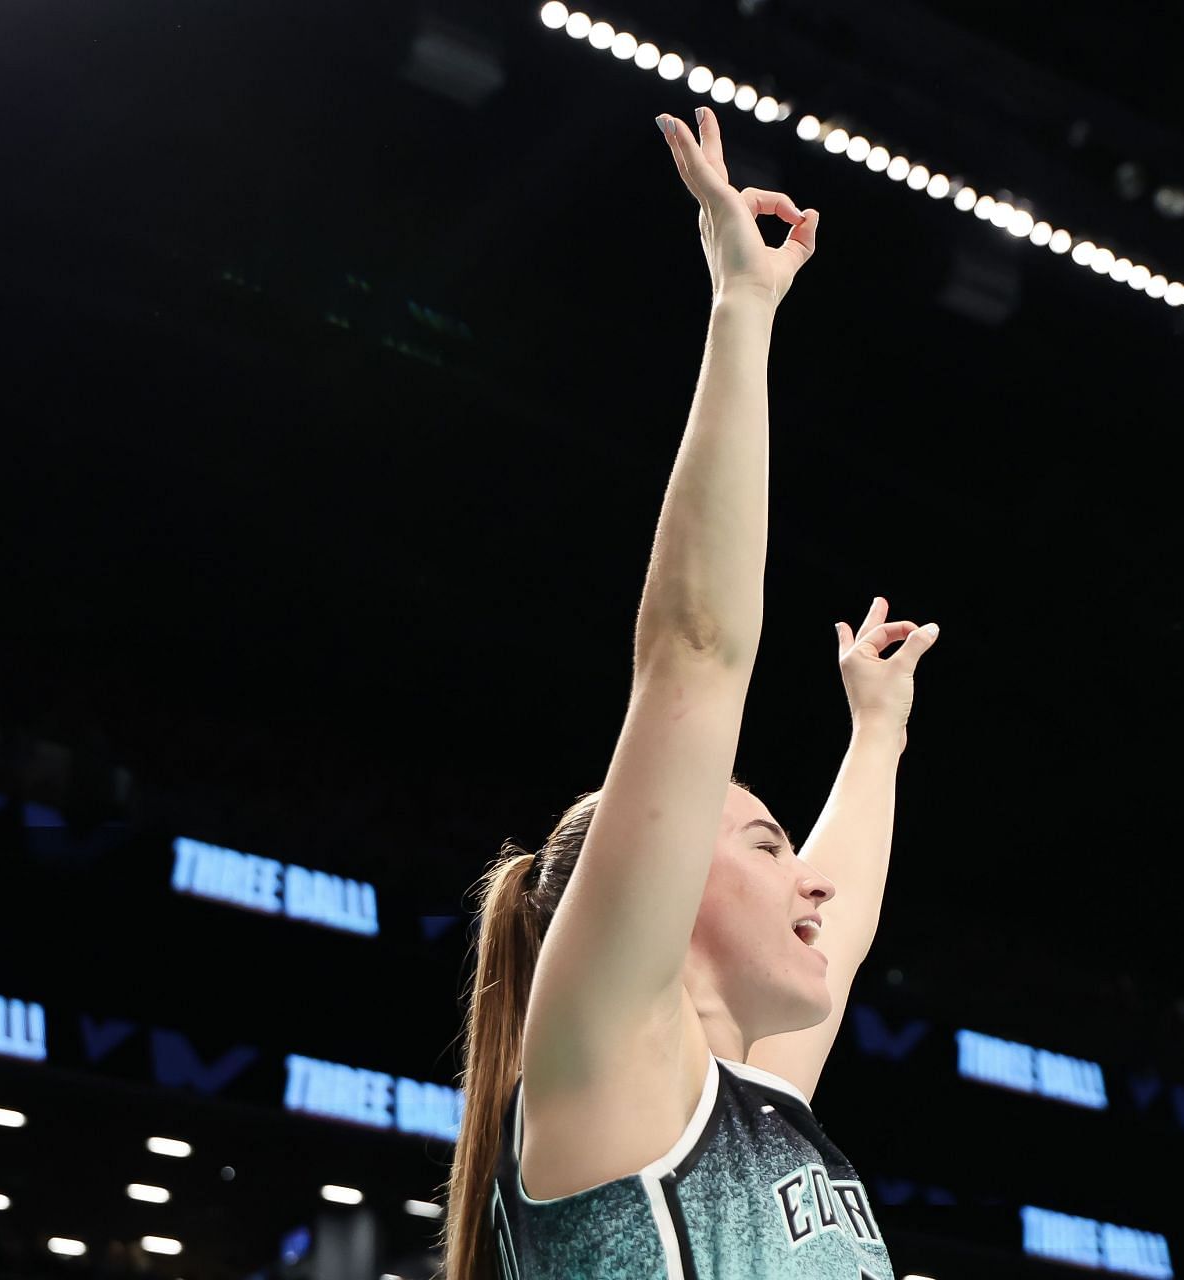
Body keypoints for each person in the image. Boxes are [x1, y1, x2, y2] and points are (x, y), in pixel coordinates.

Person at [436, 106, 939, 1279]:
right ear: (647, 882)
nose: (805, 870)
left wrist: (878, 734)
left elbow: (841, 926)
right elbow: (696, 652)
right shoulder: (610, 1061)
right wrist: (743, 309)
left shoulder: (752, 1101)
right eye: (766, 841)